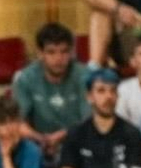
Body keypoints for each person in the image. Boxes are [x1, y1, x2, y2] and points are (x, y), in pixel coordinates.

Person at [12, 23, 91, 156]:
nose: (58, 58)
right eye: (51, 52)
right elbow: (18, 123)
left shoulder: (84, 76)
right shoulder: (26, 78)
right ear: (40, 53)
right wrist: (41, 139)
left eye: (64, 51)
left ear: (72, 52)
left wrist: (62, 136)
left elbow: (89, 121)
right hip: (37, 144)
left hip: (78, 143)